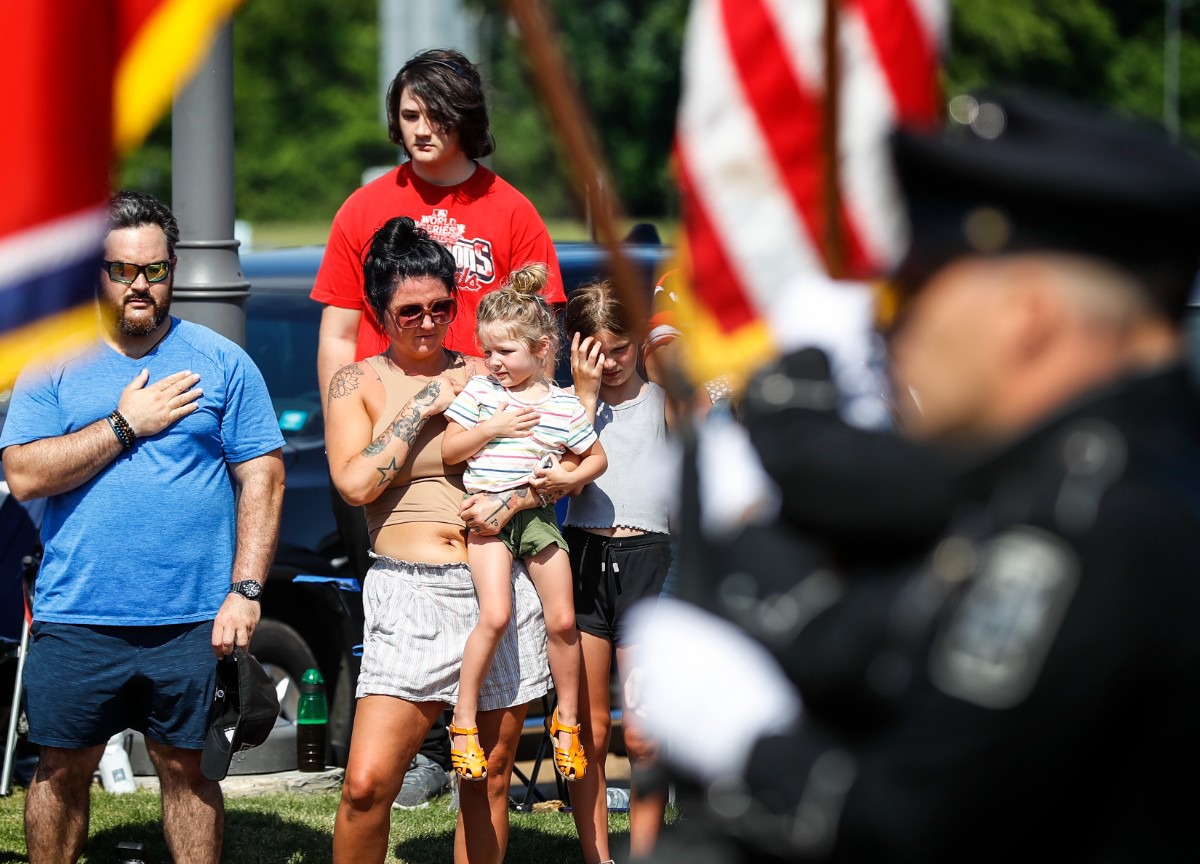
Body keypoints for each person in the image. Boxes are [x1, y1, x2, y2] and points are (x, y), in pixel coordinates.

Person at [633, 91, 1200, 864]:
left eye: (919, 287)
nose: (894, 325)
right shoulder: (1100, 478)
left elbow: (911, 826)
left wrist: (754, 745)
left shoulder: (1094, 524)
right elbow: (888, 636)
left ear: (1024, 315)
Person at [311, 46, 566, 806]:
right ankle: (421, 746)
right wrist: (348, 419)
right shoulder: (364, 206)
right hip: (388, 433)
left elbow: (543, 329)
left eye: (434, 114)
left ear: (468, 117)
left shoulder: (511, 209)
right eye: (408, 113)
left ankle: (489, 754)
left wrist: (533, 432)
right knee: (403, 593)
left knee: (489, 585)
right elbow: (334, 333)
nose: (418, 129)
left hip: (486, 429)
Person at [0, 190, 286, 864]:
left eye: (153, 271)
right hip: (78, 613)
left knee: (189, 772)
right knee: (61, 770)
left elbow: (263, 477)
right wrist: (127, 424)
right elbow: (25, 475)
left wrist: (245, 590)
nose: (139, 286)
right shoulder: (53, 359)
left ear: (174, 270)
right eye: (122, 270)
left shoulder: (222, 363)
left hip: (192, 618)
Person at [327, 216, 571, 864]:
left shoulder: (489, 374)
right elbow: (355, 484)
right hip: (408, 595)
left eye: (441, 306)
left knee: (487, 776)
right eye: (411, 311)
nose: (430, 322)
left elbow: (555, 457)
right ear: (380, 312)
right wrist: (425, 402)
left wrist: (520, 496)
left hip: (495, 585)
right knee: (366, 783)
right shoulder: (359, 383)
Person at [442, 263, 607, 784]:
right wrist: (494, 425)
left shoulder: (561, 406)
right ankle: (463, 720)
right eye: (487, 351)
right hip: (487, 518)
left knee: (563, 621)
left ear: (539, 350)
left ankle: (566, 721)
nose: (493, 362)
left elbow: (595, 459)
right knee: (494, 615)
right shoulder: (481, 395)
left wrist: (561, 475)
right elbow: (451, 448)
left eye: (504, 352)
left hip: (535, 516)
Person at [563, 282, 675, 864]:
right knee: (588, 732)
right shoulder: (567, 404)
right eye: (595, 352)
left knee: (644, 732)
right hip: (583, 558)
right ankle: (597, 854)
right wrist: (581, 398)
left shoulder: (660, 403)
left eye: (620, 349)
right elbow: (571, 480)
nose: (608, 364)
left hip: (648, 563)